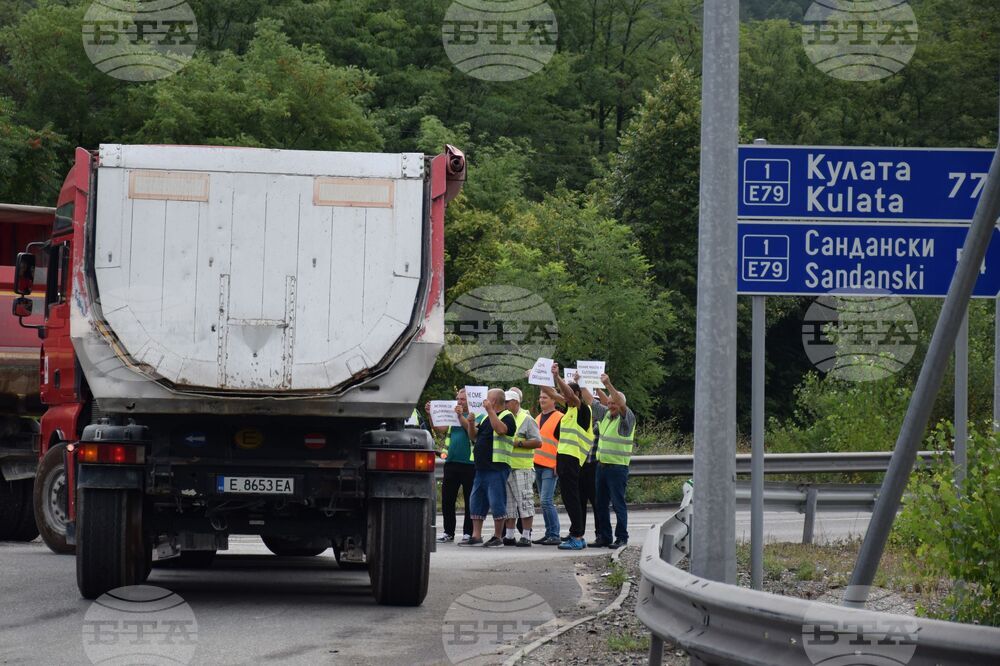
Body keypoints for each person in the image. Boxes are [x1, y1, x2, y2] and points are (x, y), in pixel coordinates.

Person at [458, 388, 517, 548]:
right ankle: (476, 536)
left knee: (497, 501)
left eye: (487, 399)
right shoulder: (485, 418)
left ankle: (498, 537)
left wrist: (490, 411)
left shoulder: (507, 416)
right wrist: (470, 423)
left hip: (496, 467)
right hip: (481, 467)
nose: (484, 401)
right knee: (476, 501)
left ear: (494, 401)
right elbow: (474, 436)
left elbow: (501, 429)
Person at [545, 362, 593, 551]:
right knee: (570, 497)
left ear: (576, 395)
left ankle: (577, 536)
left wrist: (557, 377)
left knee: (571, 498)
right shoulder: (569, 411)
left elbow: (569, 395)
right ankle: (576, 533)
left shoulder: (582, 409)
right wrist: (538, 379)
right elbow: (553, 394)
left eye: (566, 394)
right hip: (565, 458)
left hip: (573, 458)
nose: (563, 396)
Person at [426, 389, 481, 543]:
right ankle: (448, 532)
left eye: (462, 399)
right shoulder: (453, 414)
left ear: (469, 401)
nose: (459, 401)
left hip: (470, 464)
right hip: (451, 462)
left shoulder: (477, 415)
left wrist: (460, 416)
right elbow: (440, 428)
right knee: (447, 499)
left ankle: (468, 533)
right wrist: (431, 414)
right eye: (457, 398)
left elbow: (473, 432)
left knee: (470, 500)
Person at [593, 373, 636, 548]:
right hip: (602, 467)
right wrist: (588, 383)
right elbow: (591, 400)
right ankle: (605, 536)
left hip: (617, 468)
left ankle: (622, 537)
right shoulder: (606, 417)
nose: (610, 405)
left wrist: (608, 384)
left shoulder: (626, 419)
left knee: (618, 504)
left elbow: (620, 402)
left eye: (613, 403)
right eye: (608, 403)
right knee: (601, 504)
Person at [502, 388, 541, 547]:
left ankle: (526, 536)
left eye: (507, 402)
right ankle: (510, 535)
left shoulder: (526, 419)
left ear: (515, 402)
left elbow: (538, 441)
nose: (504, 404)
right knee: (509, 505)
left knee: (525, 502)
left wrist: (518, 443)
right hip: (508, 467)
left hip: (522, 468)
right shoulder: (505, 418)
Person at [532, 389, 562, 545]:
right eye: (540, 397)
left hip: (551, 465)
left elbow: (563, 444)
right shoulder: (537, 418)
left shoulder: (560, 418)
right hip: (538, 464)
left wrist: (559, 463)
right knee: (544, 502)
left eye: (545, 397)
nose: (541, 400)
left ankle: (555, 534)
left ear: (553, 400)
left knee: (546, 500)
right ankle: (549, 532)